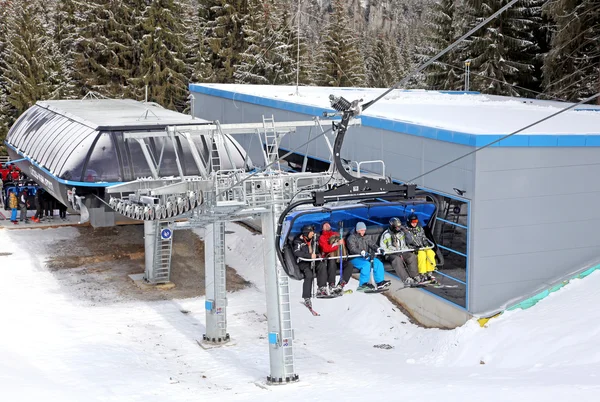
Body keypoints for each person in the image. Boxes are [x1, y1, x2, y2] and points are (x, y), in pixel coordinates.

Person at [347, 222, 390, 291]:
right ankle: (362, 284)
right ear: (357, 230)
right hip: (355, 257)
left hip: (365, 256)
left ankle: (380, 282)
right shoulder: (351, 237)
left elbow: (372, 244)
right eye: (361, 230)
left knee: (378, 263)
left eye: (364, 230)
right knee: (366, 265)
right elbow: (352, 249)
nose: (363, 232)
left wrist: (378, 249)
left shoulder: (365, 237)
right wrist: (361, 252)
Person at [292, 225, 328, 307]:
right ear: (306, 233)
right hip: (304, 261)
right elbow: (297, 252)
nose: (313, 234)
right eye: (311, 232)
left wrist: (318, 255)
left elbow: (317, 250)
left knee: (322, 266)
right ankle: (306, 297)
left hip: (313, 260)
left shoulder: (314, 240)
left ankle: (321, 288)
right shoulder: (298, 241)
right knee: (309, 275)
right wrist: (309, 255)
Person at [379, 217, 420, 286]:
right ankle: (406, 279)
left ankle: (415, 276)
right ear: (392, 226)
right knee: (397, 260)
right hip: (391, 254)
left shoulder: (401, 233)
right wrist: (394, 251)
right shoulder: (386, 235)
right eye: (397, 227)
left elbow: (410, 241)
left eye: (399, 227)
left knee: (412, 256)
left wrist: (406, 232)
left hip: (403, 251)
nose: (398, 228)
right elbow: (382, 248)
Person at [319, 221, 352, 294]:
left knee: (349, 265)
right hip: (330, 258)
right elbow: (325, 249)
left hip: (339, 258)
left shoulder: (336, 234)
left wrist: (343, 242)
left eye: (328, 224)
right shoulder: (322, 237)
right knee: (331, 262)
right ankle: (331, 284)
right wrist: (336, 244)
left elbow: (343, 245)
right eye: (325, 225)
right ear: (322, 228)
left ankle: (341, 284)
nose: (327, 226)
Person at [405, 214, 437, 283]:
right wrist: (414, 247)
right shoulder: (406, 231)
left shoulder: (419, 228)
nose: (414, 223)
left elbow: (424, 238)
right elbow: (406, 243)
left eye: (416, 221)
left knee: (430, 252)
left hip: (422, 247)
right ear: (409, 222)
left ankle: (429, 272)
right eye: (412, 222)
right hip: (414, 249)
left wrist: (426, 245)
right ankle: (422, 273)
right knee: (422, 254)